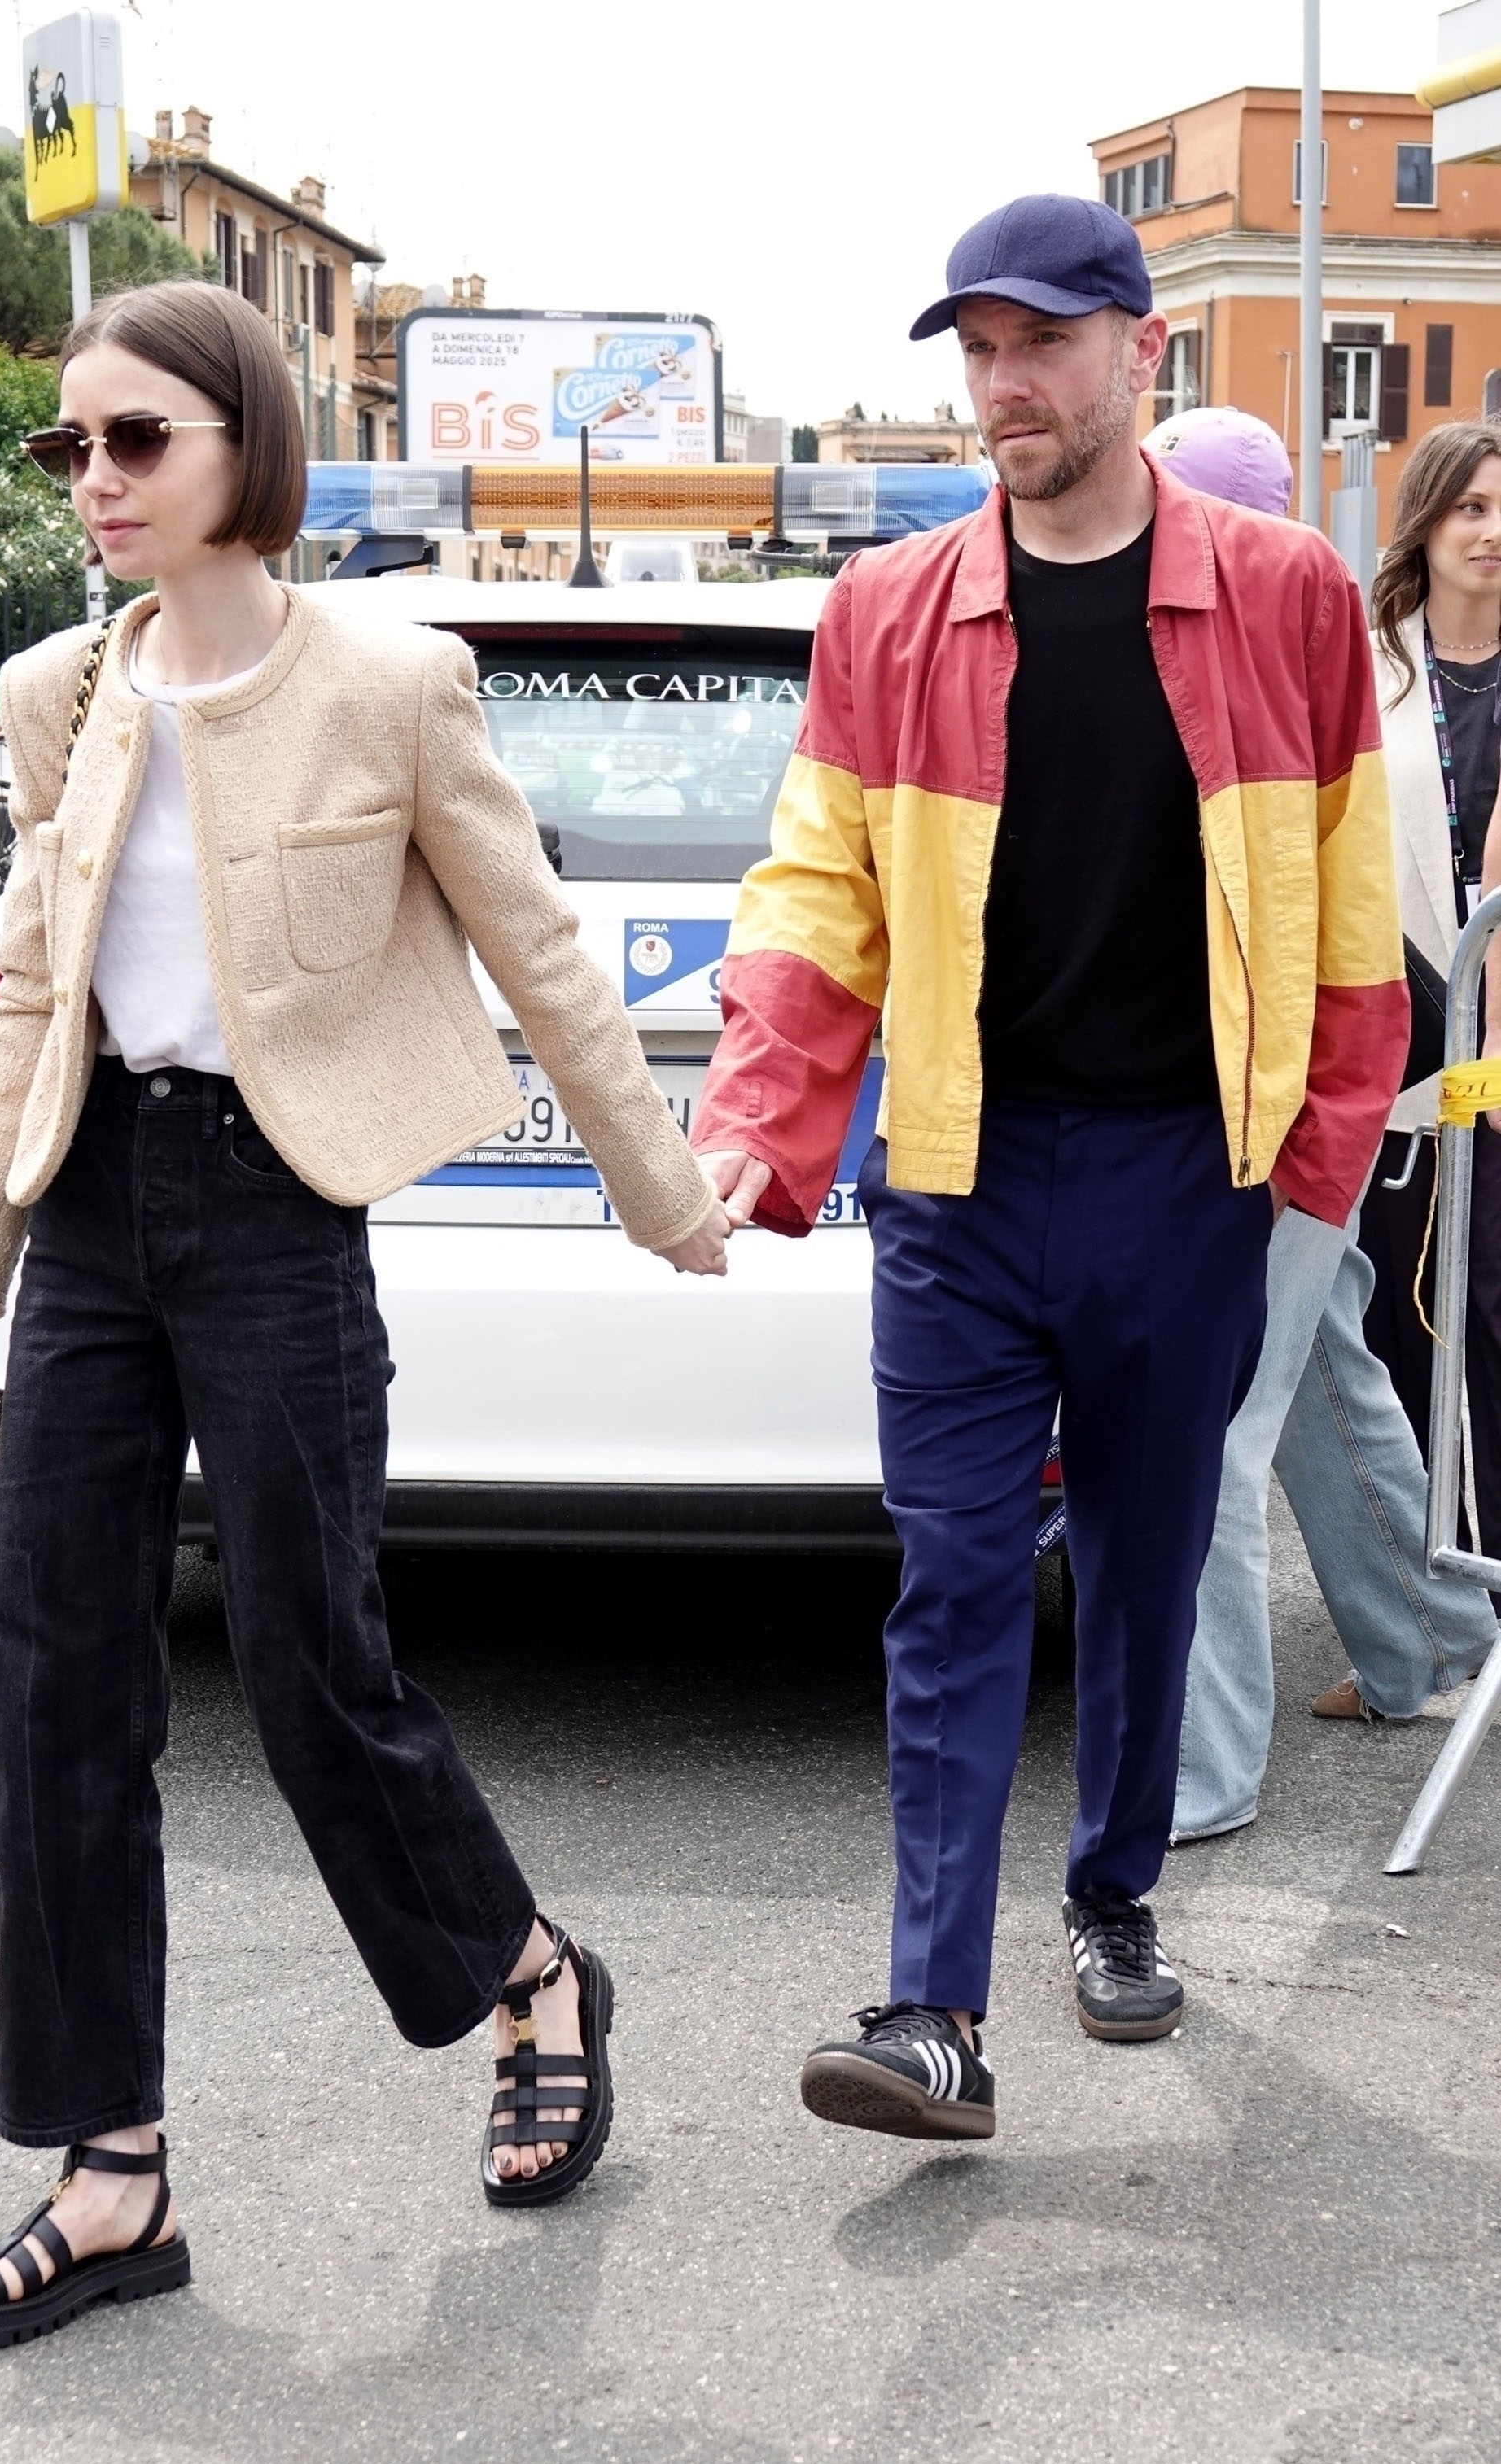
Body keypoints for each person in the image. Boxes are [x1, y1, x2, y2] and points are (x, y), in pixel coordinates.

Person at [0, 280, 730, 2349]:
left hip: (276, 1215)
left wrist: (662, 1188)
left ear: (242, 446)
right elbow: (28, 991)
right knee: (64, 1684)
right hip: (87, 1216)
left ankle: (526, 1968)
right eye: (66, 449)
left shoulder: (390, 682)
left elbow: (538, 949)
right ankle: (109, 2173)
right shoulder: (56, 693)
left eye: (132, 442)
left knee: (305, 1661)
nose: (92, 480)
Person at [691, 195, 1409, 2143]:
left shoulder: (1281, 596)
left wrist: (1321, 1160)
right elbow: (814, 889)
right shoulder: (887, 610)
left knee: (1147, 1562)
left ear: (1135, 355)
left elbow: (1351, 898)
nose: (1000, 386)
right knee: (944, 1581)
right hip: (955, 1176)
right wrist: (756, 1121)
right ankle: (929, 2006)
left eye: (1038, 346)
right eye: (975, 352)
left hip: (1187, 1177)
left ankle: (1110, 1886)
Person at [1138, 411, 1499, 1842]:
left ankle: (1201, 1771)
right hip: (1284, 1105)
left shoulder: (1273, 658)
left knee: (1215, 1425)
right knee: (1325, 1385)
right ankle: (1432, 1636)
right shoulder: (1308, 647)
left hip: (1282, 1106)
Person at [1358, 422, 1501, 1575]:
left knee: (1495, 1319)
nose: (1493, 532)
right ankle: (1420, 1600)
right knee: (1400, 1330)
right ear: (1428, 519)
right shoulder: (1367, 662)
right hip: (1399, 1049)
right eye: (1471, 507)